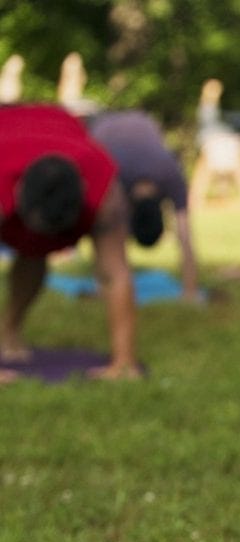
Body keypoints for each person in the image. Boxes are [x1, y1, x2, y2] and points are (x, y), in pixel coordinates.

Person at [0, 104, 140, 383]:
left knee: (36, 251)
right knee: (31, 250)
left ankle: (7, 333)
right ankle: (8, 335)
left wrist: (124, 362)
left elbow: (115, 275)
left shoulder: (104, 189)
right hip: (9, 131)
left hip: (60, 129)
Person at [87, 110, 201, 301]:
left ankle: (103, 283)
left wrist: (103, 286)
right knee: (107, 221)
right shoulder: (115, 172)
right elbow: (185, 236)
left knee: (108, 223)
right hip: (104, 127)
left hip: (139, 120)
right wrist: (190, 293)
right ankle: (104, 283)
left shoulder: (171, 174)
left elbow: (103, 235)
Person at [188, 78, 240, 212]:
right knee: (237, 164)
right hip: (216, 141)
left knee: (235, 165)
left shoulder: (212, 110)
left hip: (220, 140)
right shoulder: (207, 108)